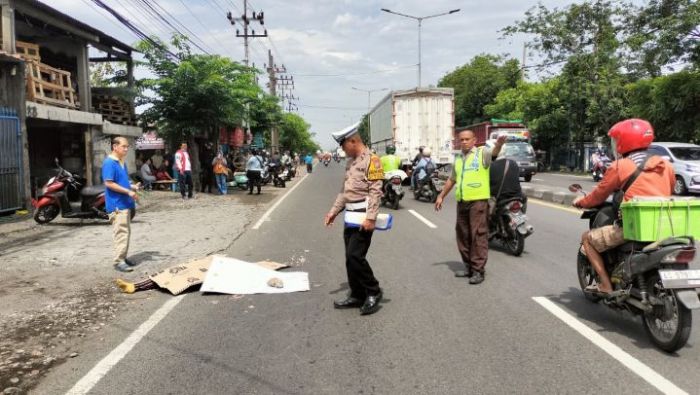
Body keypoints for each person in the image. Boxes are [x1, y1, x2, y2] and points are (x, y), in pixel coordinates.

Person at [573, 119, 675, 295]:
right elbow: (669, 189)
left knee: (588, 239)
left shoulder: (620, 166)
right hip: (663, 226)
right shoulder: (664, 164)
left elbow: (599, 195)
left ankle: (605, 284)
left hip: (633, 228)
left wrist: (580, 202)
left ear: (623, 141)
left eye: (615, 140)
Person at [325, 126, 385, 315]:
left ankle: (373, 291)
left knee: (355, 256)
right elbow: (345, 192)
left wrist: (371, 218)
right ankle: (357, 294)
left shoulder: (372, 160)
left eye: (344, 146)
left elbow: (376, 191)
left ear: (353, 141)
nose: (343, 151)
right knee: (349, 259)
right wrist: (333, 212)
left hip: (363, 216)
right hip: (349, 216)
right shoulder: (350, 163)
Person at [434, 131, 506, 284]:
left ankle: (478, 270)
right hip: (462, 202)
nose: (464, 142)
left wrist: (499, 144)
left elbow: (494, 153)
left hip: (478, 201)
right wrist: (441, 196)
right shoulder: (459, 158)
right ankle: (469, 267)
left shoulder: (482, 153)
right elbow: (452, 179)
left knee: (478, 235)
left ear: (474, 140)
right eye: (462, 140)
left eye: (467, 139)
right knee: (463, 234)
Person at [102, 137, 140, 273]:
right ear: (115, 147)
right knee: (121, 233)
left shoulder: (121, 162)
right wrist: (128, 192)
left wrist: (132, 186)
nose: (126, 149)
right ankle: (119, 261)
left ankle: (123, 257)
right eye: (123, 146)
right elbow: (109, 183)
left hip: (124, 204)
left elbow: (121, 182)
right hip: (117, 205)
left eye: (127, 146)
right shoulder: (109, 163)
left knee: (125, 232)